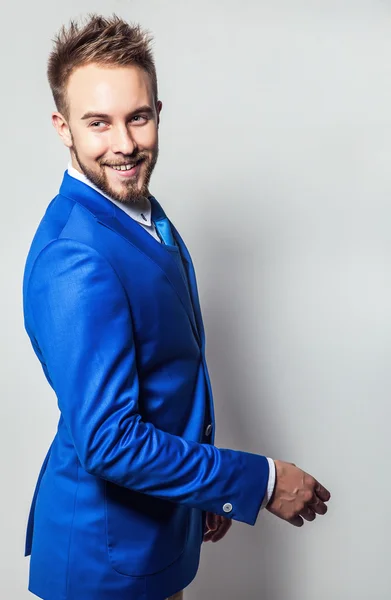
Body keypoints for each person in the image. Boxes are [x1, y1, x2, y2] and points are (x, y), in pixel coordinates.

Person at [22, 14, 331, 600]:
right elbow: (109, 439)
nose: (125, 144)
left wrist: (202, 487)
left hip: (152, 532)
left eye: (137, 117)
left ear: (158, 112)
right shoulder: (74, 258)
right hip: (104, 560)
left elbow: (168, 365)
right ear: (63, 127)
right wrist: (256, 482)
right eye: (98, 123)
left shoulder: (135, 206)